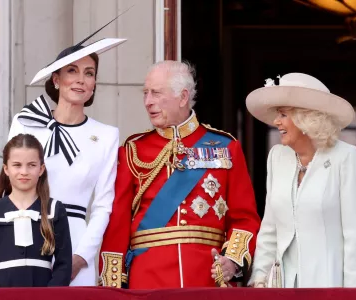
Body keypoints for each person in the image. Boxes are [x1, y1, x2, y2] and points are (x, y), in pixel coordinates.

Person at [99, 60, 261, 289]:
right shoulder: (133, 150)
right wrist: (112, 288)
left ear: (183, 97)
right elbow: (117, 226)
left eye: (156, 93)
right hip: (147, 281)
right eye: (145, 93)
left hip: (207, 278)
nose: (148, 102)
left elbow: (244, 218)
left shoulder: (225, 146)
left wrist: (232, 262)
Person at [7, 38, 125, 286]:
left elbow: (104, 204)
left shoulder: (106, 135)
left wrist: (81, 257)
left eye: (89, 73)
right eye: (72, 71)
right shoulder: (26, 122)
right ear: (56, 79)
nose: (81, 79)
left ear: (94, 84)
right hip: (24, 235)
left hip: (75, 242)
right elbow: (9, 188)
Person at [246, 73, 356, 288]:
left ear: (306, 118)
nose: (277, 122)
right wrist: (259, 280)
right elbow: (270, 229)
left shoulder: (346, 158)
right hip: (281, 288)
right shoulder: (277, 157)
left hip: (328, 285)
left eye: (284, 114)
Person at [0, 134, 72, 287]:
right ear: (6, 169)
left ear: (41, 169)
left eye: (31, 165)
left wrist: (49, 296)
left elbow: (64, 265)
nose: (24, 171)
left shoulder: (55, 210)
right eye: (17, 165)